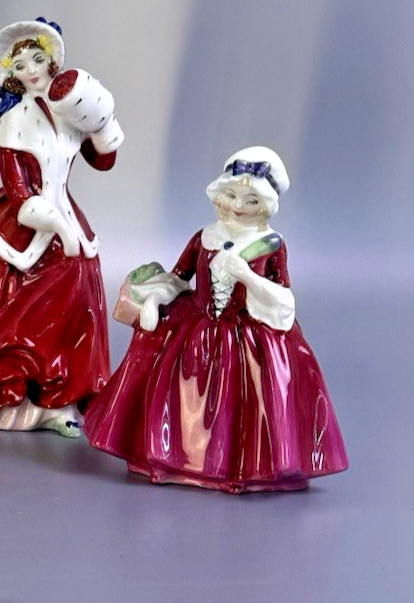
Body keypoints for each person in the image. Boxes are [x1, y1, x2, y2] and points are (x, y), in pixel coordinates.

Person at [85, 147, 347, 493]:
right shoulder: (204, 237)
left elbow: (283, 295)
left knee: (250, 395)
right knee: (171, 372)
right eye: (231, 196)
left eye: (250, 201)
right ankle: (172, 455)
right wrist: (155, 298)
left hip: (247, 331)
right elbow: (179, 277)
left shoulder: (271, 245)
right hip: (199, 324)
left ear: (265, 205)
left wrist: (246, 276)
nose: (238, 206)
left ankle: (239, 467)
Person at [0, 18, 121, 436]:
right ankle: (8, 399)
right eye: (19, 65)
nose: (30, 70)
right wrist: (59, 228)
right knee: (9, 306)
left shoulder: (70, 107)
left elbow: (103, 160)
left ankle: (59, 400)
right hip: (24, 221)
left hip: (65, 211)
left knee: (77, 301)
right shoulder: (15, 120)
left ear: (51, 61)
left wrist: (102, 123)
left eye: (36, 59)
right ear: (11, 76)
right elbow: (18, 192)